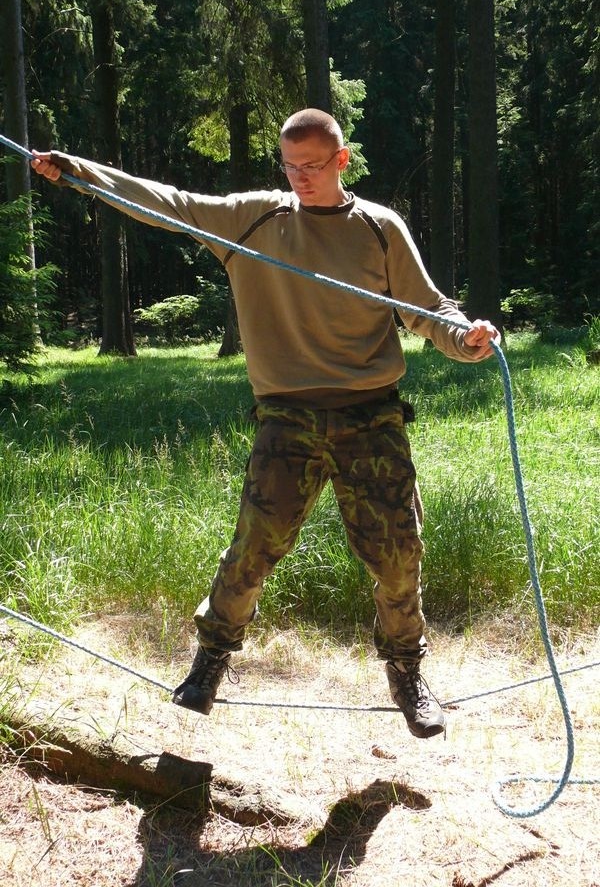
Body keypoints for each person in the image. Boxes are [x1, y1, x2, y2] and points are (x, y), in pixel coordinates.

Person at [31, 108, 500, 740]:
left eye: (313, 166)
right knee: (253, 548)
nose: (300, 177)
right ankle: (210, 660)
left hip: (371, 416)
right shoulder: (252, 218)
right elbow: (167, 201)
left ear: (342, 161)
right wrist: (80, 173)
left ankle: (407, 672)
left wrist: (466, 338)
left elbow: (428, 310)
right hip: (287, 417)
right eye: (290, 166)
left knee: (397, 555)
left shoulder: (379, 227)